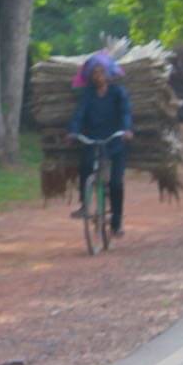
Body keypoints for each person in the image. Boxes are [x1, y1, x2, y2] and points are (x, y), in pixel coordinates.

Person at [67, 51, 134, 236]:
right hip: (94, 139)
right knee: (85, 166)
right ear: (91, 76)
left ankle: (117, 221)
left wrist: (127, 130)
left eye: (101, 72)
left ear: (109, 74)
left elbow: (125, 112)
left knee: (115, 183)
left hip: (115, 140)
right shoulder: (88, 95)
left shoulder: (118, 93)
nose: (99, 77)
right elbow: (79, 114)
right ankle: (84, 203)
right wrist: (73, 131)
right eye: (95, 73)